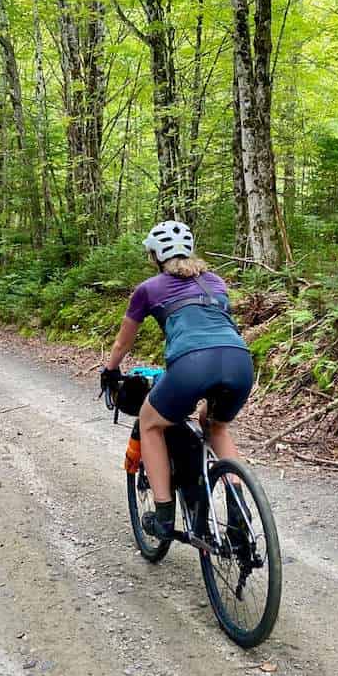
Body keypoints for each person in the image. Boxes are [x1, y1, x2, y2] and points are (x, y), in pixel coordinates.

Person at [101, 221, 254, 540]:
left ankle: (164, 516)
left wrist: (110, 371)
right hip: (239, 360)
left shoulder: (149, 289)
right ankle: (239, 511)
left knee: (150, 422)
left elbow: (122, 343)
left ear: (155, 257)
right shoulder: (215, 281)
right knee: (215, 425)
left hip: (192, 364)